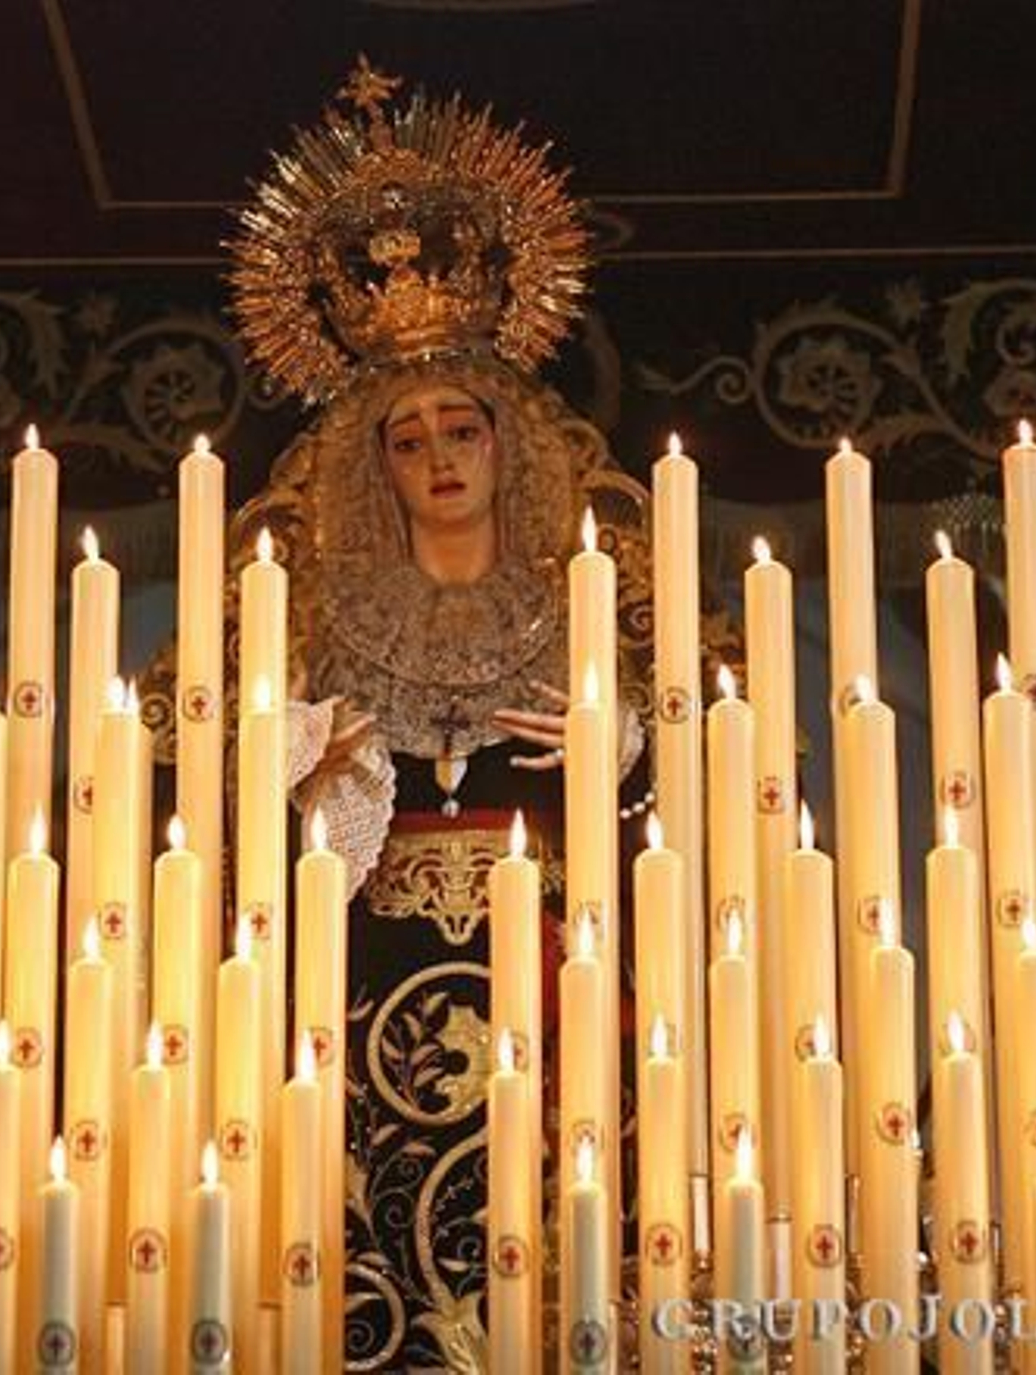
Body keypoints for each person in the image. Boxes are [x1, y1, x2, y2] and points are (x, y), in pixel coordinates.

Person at [142, 60, 734, 1369]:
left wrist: (625, 768)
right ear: (378, 466)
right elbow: (230, 837)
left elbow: (711, 822)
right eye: (407, 440)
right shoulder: (314, 619)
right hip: (370, 1001)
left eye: (461, 427)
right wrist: (308, 770)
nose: (441, 457)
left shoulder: (596, 604)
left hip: (565, 999)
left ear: (504, 441)